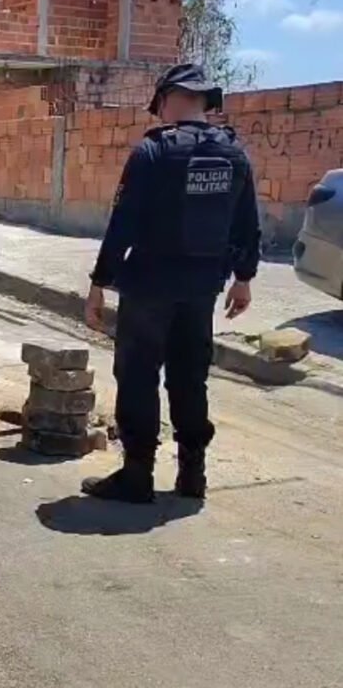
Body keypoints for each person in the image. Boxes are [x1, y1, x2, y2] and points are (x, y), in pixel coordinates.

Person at [81, 63, 261, 504]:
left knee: (139, 375)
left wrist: (99, 282)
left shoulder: (153, 152)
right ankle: (191, 477)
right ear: (206, 101)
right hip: (203, 287)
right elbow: (247, 224)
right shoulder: (234, 154)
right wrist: (244, 279)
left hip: (149, 286)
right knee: (189, 376)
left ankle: (138, 476)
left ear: (165, 100)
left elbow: (122, 224)